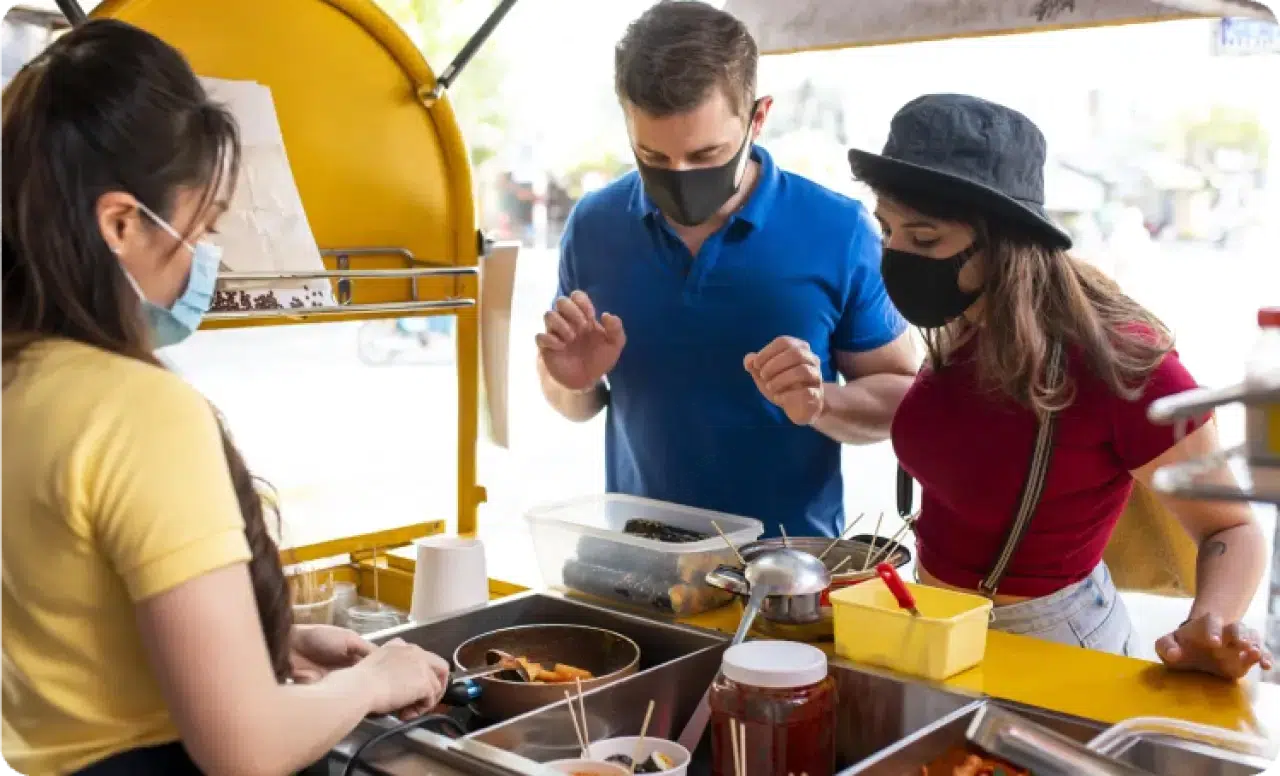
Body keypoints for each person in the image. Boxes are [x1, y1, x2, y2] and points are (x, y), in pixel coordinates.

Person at [0, 20, 449, 775]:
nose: (206, 259)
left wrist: (265, 648)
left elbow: (78, 636)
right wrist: (373, 681)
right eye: (201, 225)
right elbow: (245, 749)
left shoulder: (19, 379)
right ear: (120, 222)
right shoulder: (136, 412)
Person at [849, 93, 1271, 678]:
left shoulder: (1117, 360)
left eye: (923, 240)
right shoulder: (963, 321)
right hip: (937, 621)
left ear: (1004, 243)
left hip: (1050, 642)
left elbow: (1232, 526)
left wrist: (1214, 621)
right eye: (886, 229)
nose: (895, 256)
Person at [535, 0, 916, 539]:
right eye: (655, 157)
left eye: (705, 153)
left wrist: (820, 402)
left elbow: (901, 392)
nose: (680, 176)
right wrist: (570, 380)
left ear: (757, 118)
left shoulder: (838, 229)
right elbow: (574, 401)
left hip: (785, 576)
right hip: (639, 561)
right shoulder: (594, 225)